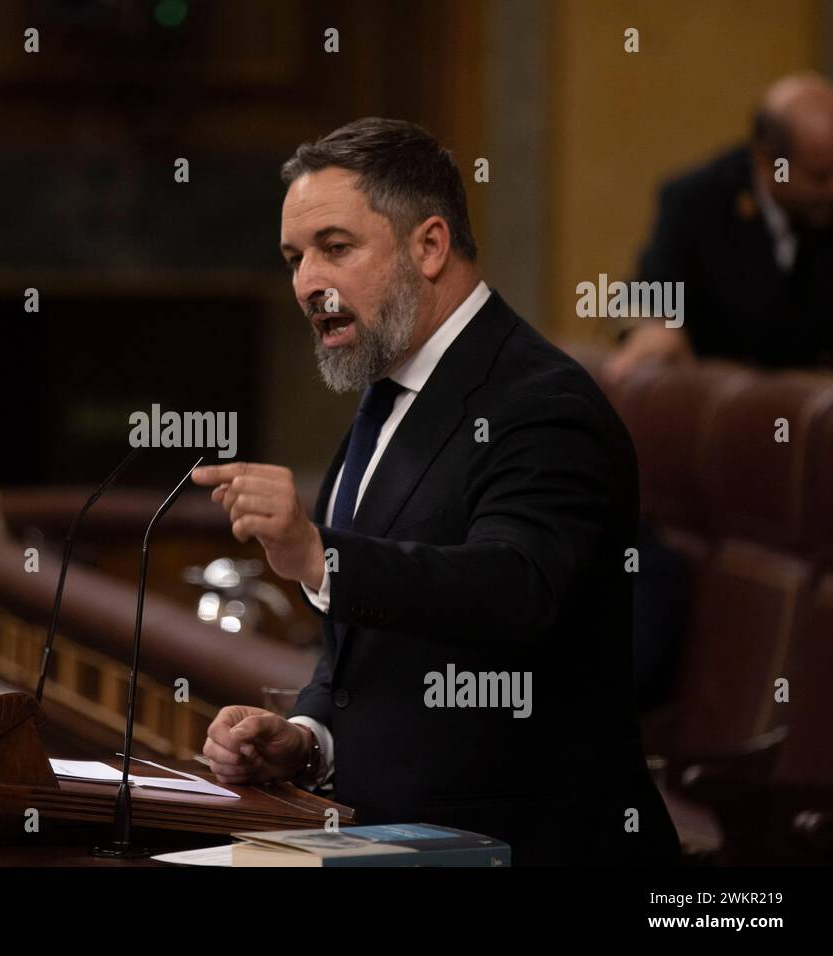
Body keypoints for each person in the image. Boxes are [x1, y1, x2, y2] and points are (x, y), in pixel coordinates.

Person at [191, 118, 680, 865]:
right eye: (294, 257)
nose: (306, 283)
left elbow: (517, 589)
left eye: (335, 247)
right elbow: (374, 652)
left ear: (429, 245)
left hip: (528, 847)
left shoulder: (542, 402)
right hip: (389, 837)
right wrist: (307, 737)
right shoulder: (392, 388)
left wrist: (323, 557)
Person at [606, 71, 833, 382]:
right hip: (729, 416)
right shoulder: (699, 201)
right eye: (820, 177)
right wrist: (652, 325)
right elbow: (648, 291)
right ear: (768, 163)